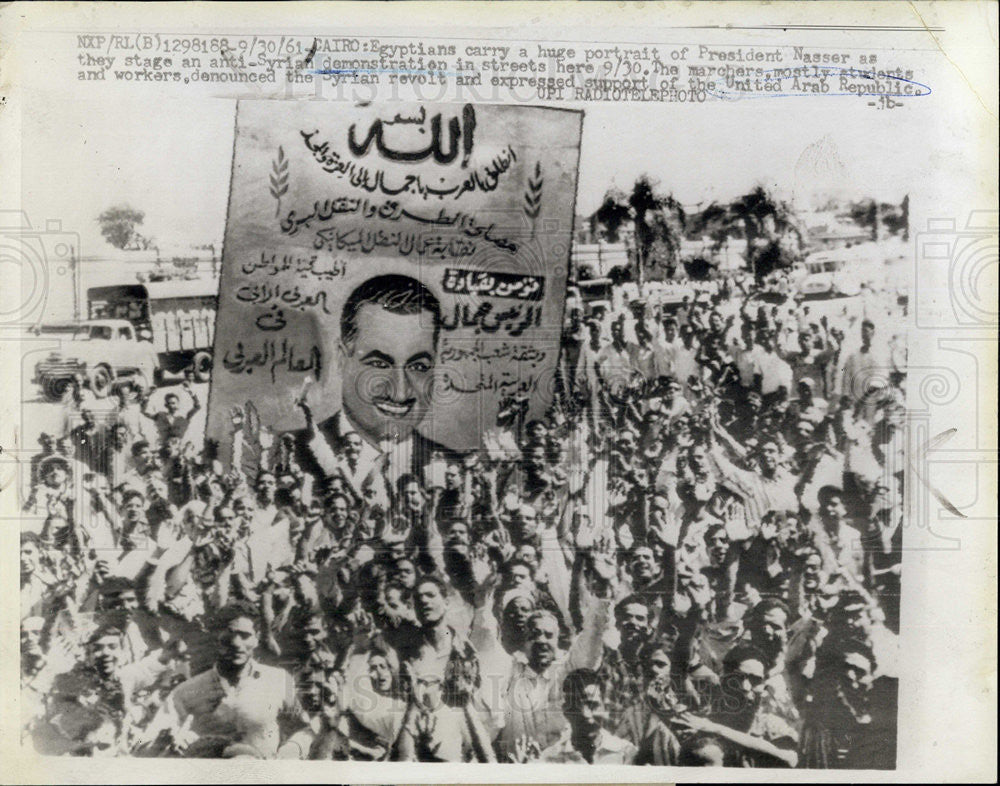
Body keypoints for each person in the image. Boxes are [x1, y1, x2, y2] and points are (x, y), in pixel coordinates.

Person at [289, 275, 457, 497]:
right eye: (379, 364)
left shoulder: (459, 471)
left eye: (417, 366)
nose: (399, 392)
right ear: (341, 359)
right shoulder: (289, 456)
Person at [150, 602, 305, 758]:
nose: (237, 643)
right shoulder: (186, 692)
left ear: (257, 638)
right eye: (229, 634)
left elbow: (303, 729)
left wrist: (293, 748)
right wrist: (169, 744)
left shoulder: (278, 680)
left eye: (245, 635)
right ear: (216, 638)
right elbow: (149, 745)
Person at [537, 668, 637, 764]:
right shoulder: (550, 759)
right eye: (576, 707)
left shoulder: (626, 753)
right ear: (566, 711)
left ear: (604, 707)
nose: (586, 713)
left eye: (592, 705)